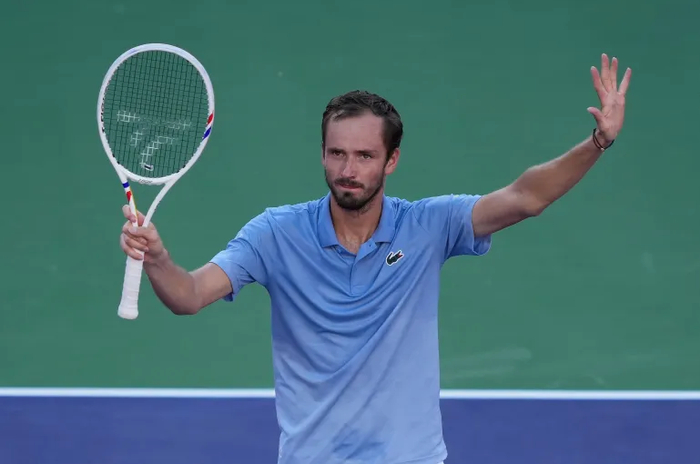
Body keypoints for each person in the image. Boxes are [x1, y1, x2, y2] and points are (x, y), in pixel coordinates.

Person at [119, 53, 631, 464]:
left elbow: (525, 198)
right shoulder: (275, 234)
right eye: (337, 153)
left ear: (391, 160)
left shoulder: (428, 226)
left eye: (365, 156)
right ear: (322, 154)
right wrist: (158, 258)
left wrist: (598, 141)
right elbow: (189, 296)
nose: (348, 170)